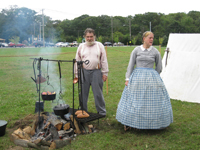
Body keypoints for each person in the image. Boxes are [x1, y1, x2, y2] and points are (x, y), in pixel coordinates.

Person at [116, 31, 173, 130]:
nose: (151, 40)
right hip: (137, 78)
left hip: (151, 78)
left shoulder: (155, 52)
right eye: (150, 38)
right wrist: (127, 79)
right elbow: (130, 65)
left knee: (151, 100)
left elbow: (159, 67)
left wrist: (154, 77)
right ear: (144, 39)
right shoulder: (136, 50)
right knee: (135, 99)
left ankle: (152, 122)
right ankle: (131, 121)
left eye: (152, 38)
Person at [74, 28, 109, 116]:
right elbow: (77, 60)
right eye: (88, 37)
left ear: (94, 36)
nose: (89, 38)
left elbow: (104, 60)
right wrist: (76, 75)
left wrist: (105, 73)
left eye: (91, 36)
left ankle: (101, 112)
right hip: (83, 72)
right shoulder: (81, 46)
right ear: (84, 37)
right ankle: (83, 111)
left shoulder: (99, 45)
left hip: (96, 72)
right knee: (83, 93)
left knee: (98, 93)